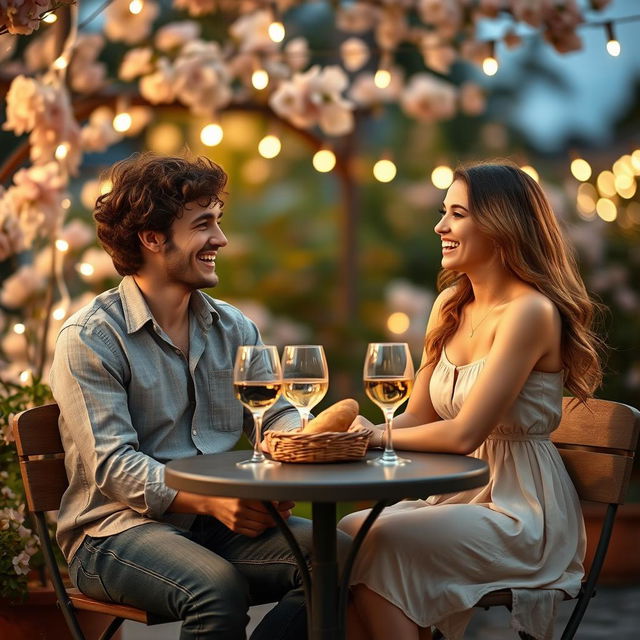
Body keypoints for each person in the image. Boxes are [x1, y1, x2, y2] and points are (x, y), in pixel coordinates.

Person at [50, 153, 313, 640]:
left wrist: (293, 453)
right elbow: (113, 467)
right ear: (152, 238)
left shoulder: (234, 327)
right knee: (216, 589)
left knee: (337, 561)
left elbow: (275, 417)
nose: (221, 239)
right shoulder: (91, 337)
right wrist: (212, 500)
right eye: (203, 224)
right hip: (111, 533)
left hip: (215, 523)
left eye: (218, 221)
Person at [339, 162, 604, 640]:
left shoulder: (530, 312)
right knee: (348, 531)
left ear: (502, 226)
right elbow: (420, 414)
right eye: (443, 212)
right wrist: (368, 433)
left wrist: (374, 435)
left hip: (523, 511)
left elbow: (464, 434)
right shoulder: (449, 306)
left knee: (381, 538)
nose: (440, 226)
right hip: (460, 494)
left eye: (456, 214)